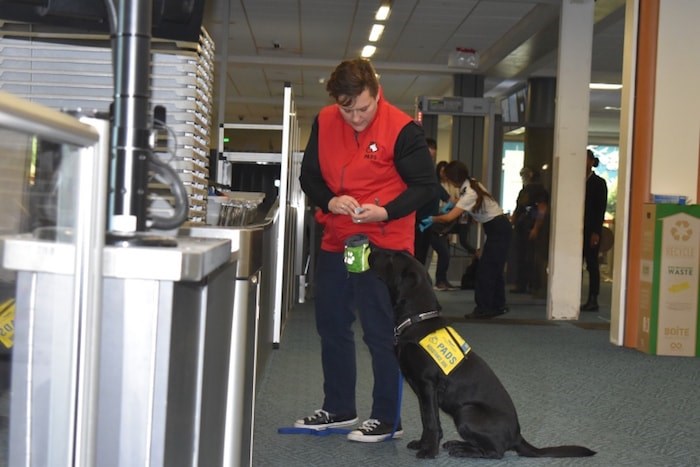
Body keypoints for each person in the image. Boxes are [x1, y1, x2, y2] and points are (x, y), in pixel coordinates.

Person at [297, 58, 437, 442]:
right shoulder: (325, 121)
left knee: (379, 332)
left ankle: (388, 418)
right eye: (347, 109)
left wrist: (386, 210)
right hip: (337, 238)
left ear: (377, 93)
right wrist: (330, 200)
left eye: (363, 108)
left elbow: (426, 187)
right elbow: (308, 176)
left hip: (384, 244)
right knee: (331, 325)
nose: (356, 117)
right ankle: (340, 406)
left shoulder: (402, 129)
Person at [422, 161, 512, 318]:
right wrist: (451, 205)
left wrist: (433, 218)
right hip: (498, 228)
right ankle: (498, 305)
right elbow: (461, 203)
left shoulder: (470, 192)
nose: (448, 181)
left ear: (454, 178)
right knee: (494, 269)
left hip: (498, 229)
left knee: (486, 270)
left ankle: (484, 309)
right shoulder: (471, 184)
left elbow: (450, 217)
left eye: (448, 178)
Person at [414, 139, 457, 291]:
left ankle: (420, 285)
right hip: (417, 221)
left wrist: (448, 207)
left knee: (422, 255)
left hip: (428, 221)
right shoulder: (415, 171)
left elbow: (446, 197)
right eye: (428, 155)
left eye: (432, 156)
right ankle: (416, 286)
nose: (429, 159)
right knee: (417, 255)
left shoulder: (430, 175)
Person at [510, 166, 549, 296]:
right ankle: (522, 283)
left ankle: (534, 284)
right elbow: (518, 208)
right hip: (522, 225)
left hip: (531, 225)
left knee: (532, 256)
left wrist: (536, 228)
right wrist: (513, 222)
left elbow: (542, 210)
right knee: (521, 255)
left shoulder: (539, 191)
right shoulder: (524, 191)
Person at [581, 149, 608, 311]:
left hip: (591, 229)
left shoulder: (599, 183)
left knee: (592, 263)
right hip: (575, 228)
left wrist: (596, 232)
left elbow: (600, 210)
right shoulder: (576, 181)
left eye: (585, 160)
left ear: (591, 162)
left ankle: (593, 298)